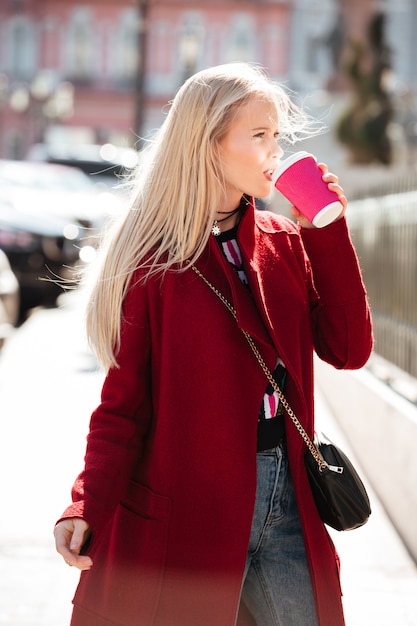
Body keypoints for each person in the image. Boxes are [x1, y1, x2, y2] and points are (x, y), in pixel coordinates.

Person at [54, 63, 373, 626]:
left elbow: (348, 350)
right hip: (187, 511)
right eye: (259, 136)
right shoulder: (155, 265)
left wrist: (327, 231)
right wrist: (86, 505)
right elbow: (121, 409)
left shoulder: (283, 242)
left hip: (289, 494)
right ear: (208, 146)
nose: (275, 150)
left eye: (277, 135)